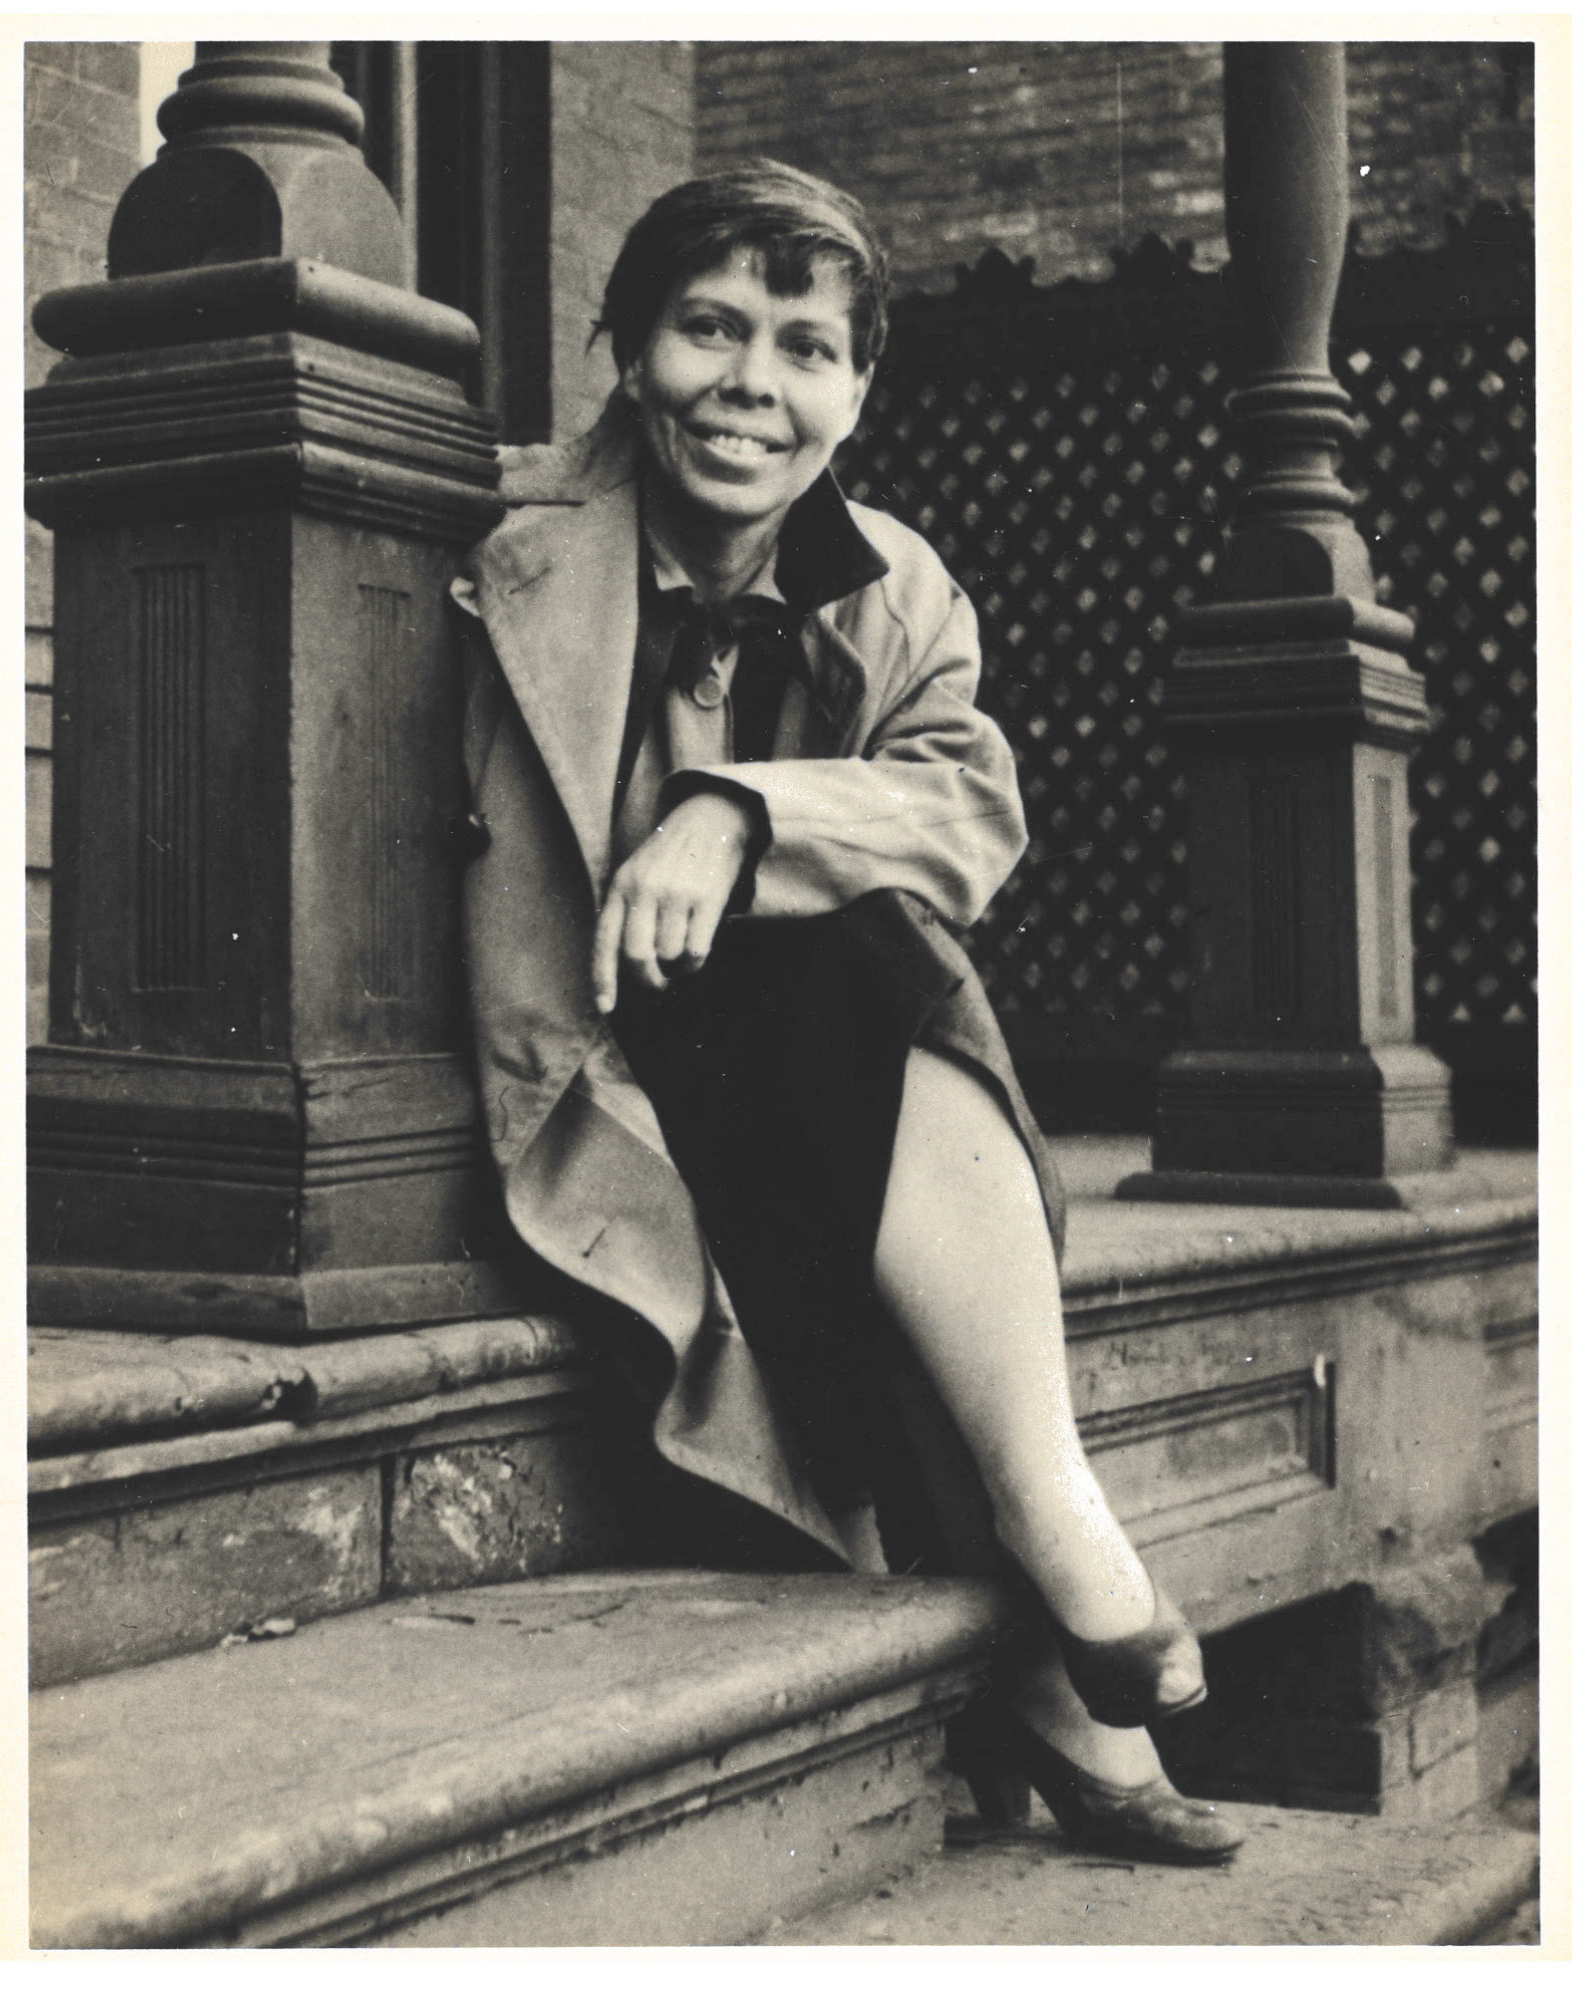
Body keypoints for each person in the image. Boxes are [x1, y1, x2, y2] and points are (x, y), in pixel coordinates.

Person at [452, 161, 1242, 1866]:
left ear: (860, 390)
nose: (753, 381)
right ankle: (1059, 1647)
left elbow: (966, 807)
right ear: (623, 347)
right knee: (851, 1044)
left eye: (807, 347)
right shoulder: (502, 540)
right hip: (587, 1060)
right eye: (708, 328)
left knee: (855, 956)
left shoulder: (895, 583)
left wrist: (742, 812)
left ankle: (1053, 1524)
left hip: (799, 1070)